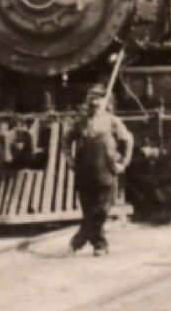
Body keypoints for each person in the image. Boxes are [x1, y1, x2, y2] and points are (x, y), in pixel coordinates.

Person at [63, 84, 133, 256]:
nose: (94, 104)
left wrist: (123, 163)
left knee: (101, 210)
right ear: (87, 102)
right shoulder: (80, 122)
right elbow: (66, 140)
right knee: (89, 211)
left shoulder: (112, 121)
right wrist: (69, 159)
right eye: (91, 100)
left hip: (105, 173)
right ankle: (100, 246)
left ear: (104, 102)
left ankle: (78, 240)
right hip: (84, 173)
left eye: (98, 100)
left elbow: (128, 140)